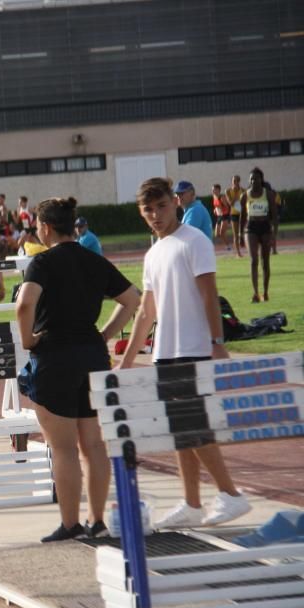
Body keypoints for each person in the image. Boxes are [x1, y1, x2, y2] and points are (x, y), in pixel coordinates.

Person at [120, 177, 251, 528]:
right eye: (148, 209)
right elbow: (147, 312)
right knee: (180, 430)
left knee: (193, 426)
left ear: (175, 203)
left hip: (195, 347)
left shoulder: (195, 241)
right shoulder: (153, 253)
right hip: (166, 350)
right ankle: (192, 503)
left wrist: (216, 342)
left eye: (161, 206)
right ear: (141, 212)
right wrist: (129, 358)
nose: (156, 214)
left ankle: (230, 494)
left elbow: (210, 294)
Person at [15, 198, 140, 541]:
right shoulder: (93, 259)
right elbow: (132, 299)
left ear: (45, 228)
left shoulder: (41, 262)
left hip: (54, 356)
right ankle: (96, 520)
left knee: (64, 448)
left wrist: (28, 340)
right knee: (94, 445)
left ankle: (70, 523)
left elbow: (24, 303)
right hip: (91, 356)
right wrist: (104, 335)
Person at [240, 168, 278, 303]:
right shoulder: (245, 195)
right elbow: (242, 217)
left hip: (265, 228)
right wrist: (240, 234)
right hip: (251, 228)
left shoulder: (268, 194)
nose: (253, 181)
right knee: (253, 260)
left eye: (256, 178)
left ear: (261, 179)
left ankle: (265, 292)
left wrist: (274, 234)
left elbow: (274, 216)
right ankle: (255, 293)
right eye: (251, 179)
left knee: (265, 262)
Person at [211, 184, 235, 253]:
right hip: (219, 217)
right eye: (212, 190)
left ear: (218, 190)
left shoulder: (222, 197)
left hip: (225, 216)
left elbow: (228, 207)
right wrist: (215, 210)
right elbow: (216, 206)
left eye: (214, 190)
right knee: (216, 234)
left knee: (222, 233)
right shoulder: (214, 197)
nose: (213, 191)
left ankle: (228, 247)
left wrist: (227, 215)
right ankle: (228, 244)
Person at [226, 175, 246, 252]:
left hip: (243, 213)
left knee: (244, 232)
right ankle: (238, 253)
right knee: (236, 234)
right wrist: (236, 194)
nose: (235, 182)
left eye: (237, 181)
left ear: (239, 182)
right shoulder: (228, 191)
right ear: (232, 182)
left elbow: (246, 202)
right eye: (234, 181)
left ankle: (248, 249)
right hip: (234, 214)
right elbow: (231, 203)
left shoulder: (243, 190)